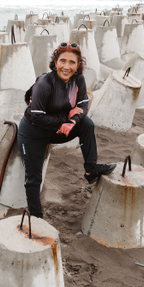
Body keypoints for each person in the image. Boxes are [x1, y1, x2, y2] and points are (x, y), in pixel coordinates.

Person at [18, 42, 115, 219]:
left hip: (57, 129)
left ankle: (91, 169)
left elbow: (83, 105)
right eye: (63, 61)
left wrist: (72, 122)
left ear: (78, 65)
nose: (67, 66)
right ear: (55, 62)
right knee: (34, 179)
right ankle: (36, 217)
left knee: (87, 124)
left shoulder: (78, 80)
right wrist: (65, 119)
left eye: (72, 62)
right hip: (33, 132)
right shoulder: (44, 84)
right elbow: (36, 116)